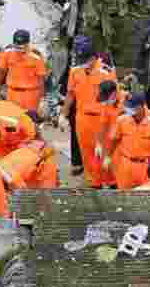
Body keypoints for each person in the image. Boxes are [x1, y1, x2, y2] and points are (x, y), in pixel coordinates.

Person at [59, 36, 116, 188]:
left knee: (104, 153)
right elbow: (70, 94)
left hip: (101, 119)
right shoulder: (75, 71)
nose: (82, 63)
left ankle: (111, 183)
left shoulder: (106, 72)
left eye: (85, 59)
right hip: (82, 118)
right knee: (87, 153)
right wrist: (63, 115)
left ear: (93, 58)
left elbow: (114, 97)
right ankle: (93, 182)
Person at [104, 91, 150, 190]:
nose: (128, 110)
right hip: (126, 165)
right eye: (127, 107)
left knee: (145, 197)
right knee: (124, 196)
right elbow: (114, 140)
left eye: (132, 107)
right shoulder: (122, 120)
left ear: (141, 106)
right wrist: (108, 157)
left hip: (147, 167)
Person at [0, 29, 48, 114]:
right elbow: (1, 71)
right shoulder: (7, 53)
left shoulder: (36, 56)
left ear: (28, 44)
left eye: (22, 47)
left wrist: (42, 99)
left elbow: (41, 79)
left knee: (29, 120)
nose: (19, 50)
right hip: (12, 94)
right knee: (11, 120)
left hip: (30, 95)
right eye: (17, 47)